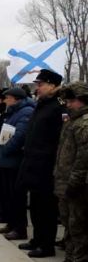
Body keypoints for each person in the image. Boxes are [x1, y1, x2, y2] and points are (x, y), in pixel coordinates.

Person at [17, 69, 65, 258]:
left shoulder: (58, 106)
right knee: (35, 206)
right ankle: (37, 239)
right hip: (33, 162)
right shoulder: (42, 104)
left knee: (47, 208)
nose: (37, 88)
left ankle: (46, 245)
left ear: (52, 85)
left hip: (46, 165)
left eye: (40, 84)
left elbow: (58, 139)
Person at [0, 88, 34, 241]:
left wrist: (5, 150)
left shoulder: (26, 112)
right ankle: (11, 224)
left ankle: (19, 228)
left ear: (16, 99)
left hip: (14, 160)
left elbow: (19, 136)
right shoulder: (13, 111)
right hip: (6, 159)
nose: (5, 100)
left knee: (16, 196)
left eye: (8, 98)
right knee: (8, 195)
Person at [55, 82, 88, 262]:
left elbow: (83, 159)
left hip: (76, 186)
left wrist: (74, 183)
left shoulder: (84, 123)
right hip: (65, 182)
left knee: (78, 228)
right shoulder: (72, 121)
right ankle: (70, 257)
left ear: (82, 100)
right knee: (68, 224)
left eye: (71, 100)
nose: (67, 104)